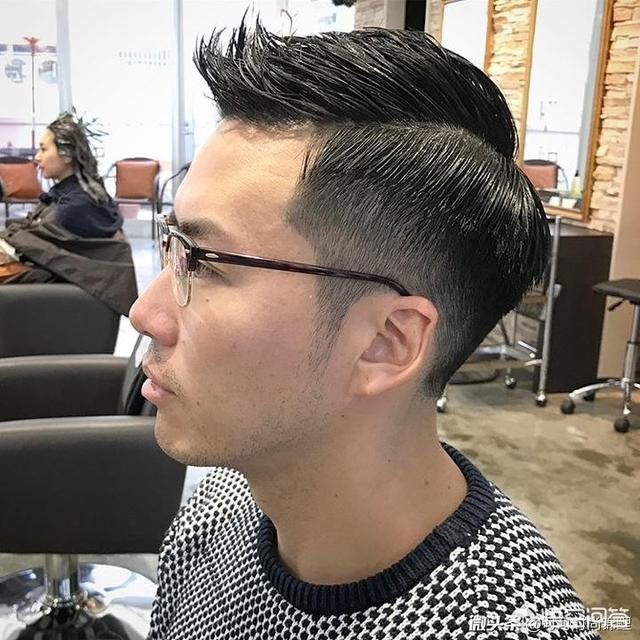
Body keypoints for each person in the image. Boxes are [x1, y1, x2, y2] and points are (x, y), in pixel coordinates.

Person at [130, 23, 598, 639]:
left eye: (205, 263)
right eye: (174, 245)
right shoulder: (215, 514)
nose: (145, 313)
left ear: (386, 344)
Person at [0, 112, 137, 315]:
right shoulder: (78, 194)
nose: (37, 157)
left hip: (48, 276)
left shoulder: (75, 207)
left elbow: (41, 249)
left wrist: (9, 241)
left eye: (44, 149)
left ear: (66, 154)